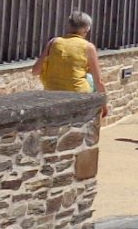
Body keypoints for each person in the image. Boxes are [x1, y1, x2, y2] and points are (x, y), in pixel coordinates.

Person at [37, 11, 107, 141]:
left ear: (68, 26)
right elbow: (99, 81)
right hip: (77, 93)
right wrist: (103, 104)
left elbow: (36, 70)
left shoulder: (54, 42)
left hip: (52, 91)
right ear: (87, 28)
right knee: (90, 79)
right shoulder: (88, 47)